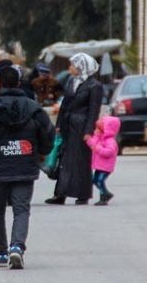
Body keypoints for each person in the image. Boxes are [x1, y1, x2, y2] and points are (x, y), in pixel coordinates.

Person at [0, 66, 54, 270]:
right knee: (21, 209)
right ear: (19, 83)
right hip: (25, 166)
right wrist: (41, 151)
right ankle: (17, 247)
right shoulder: (33, 107)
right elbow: (48, 133)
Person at [45, 53, 103, 205]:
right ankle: (60, 194)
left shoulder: (94, 86)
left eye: (73, 65)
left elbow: (93, 110)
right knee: (64, 160)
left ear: (82, 67)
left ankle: (83, 194)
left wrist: (88, 131)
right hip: (68, 125)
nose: (70, 68)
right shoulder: (72, 81)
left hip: (81, 127)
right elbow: (65, 104)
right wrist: (58, 125)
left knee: (81, 161)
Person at [86, 116, 120, 206]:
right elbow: (92, 144)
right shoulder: (99, 137)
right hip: (99, 166)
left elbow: (109, 152)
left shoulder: (110, 141)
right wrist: (90, 139)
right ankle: (106, 193)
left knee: (100, 181)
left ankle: (104, 196)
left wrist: (97, 148)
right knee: (95, 180)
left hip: (106, 167)